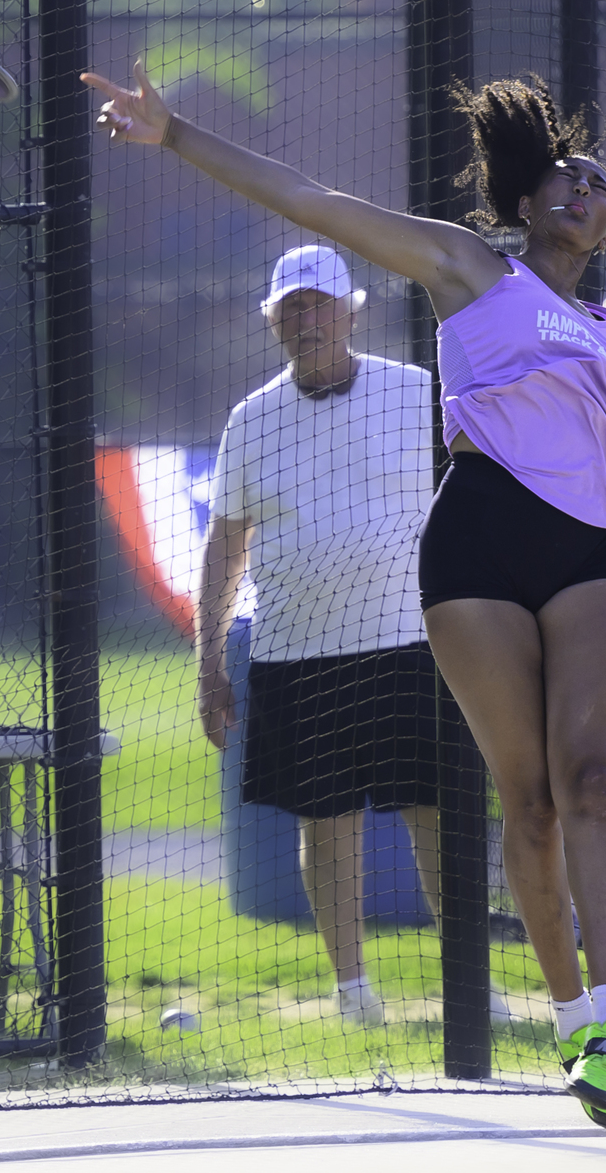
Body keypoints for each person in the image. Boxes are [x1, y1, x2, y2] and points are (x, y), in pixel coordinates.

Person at [85, 62, 606, 1131]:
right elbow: (313, 202)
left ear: (604, 227)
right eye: (566, 176)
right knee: (529, 801)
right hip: (473, 545)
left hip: (581, 553)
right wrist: (175, 132)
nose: (583, 188)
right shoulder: (469, 270)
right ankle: (568, 1021)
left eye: (599, 184)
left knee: (592, 784)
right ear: (526, 204)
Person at [195, 243, 453, 1027]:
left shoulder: (418, 394)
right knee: (326, 820)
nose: (306, 320)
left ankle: (466, 982)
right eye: (291, 309)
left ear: (352, 310)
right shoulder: (252, 419)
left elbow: (473, 494)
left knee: (437, 810)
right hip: (295, 651)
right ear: (272, 321)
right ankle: (352, 994)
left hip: (415, 644)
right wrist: (209, 659)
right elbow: (225, 539)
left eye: (318, 304)